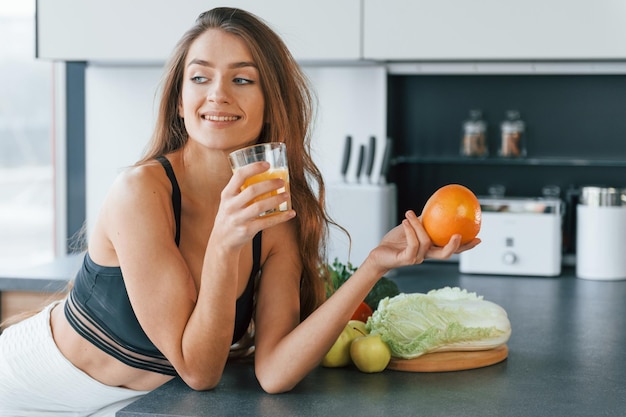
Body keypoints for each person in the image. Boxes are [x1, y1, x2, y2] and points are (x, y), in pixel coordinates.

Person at [0, 7, 479, 416]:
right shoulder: (140, 192)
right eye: (201, 77)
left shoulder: (270, 209)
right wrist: (225, 244)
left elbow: (274, 372)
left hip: (135, 403)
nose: (218, 94)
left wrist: (375, 264)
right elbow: (199, 371)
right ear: (180, 102)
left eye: (242, 79)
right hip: (30, 388)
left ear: (269, 102)